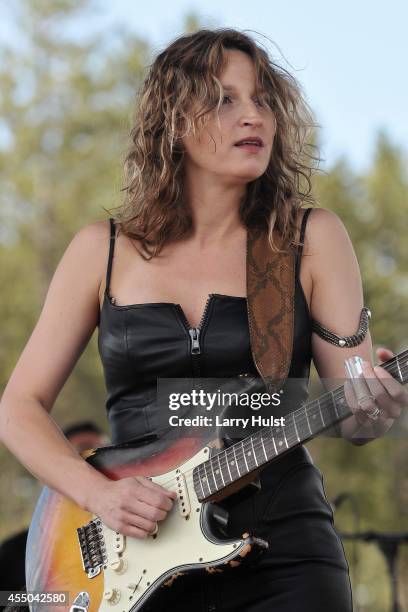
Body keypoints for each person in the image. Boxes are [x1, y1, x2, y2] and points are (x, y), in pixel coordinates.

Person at [0, 28, 406, 612]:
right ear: (172, 122)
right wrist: (95, 493)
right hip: (135, 550)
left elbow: (359, 408)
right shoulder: (102, 250)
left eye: (263, 98)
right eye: (225, 99)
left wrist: (378, 404)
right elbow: (18, 409)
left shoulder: (309, 239)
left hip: (285, 548)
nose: (253, 116)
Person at [0, 421, 108, 610]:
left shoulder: (124, 520)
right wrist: (57, 596)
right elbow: (3, 598)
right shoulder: (17, 550)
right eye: (85, 451)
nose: (99, 461)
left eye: (104, 449)